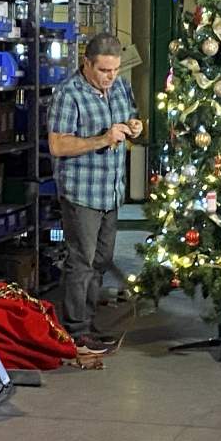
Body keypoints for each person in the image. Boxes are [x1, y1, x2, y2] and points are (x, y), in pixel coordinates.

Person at [47, 33, 143, 356]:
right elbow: (58, 144)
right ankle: (75, 330)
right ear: (86, 64)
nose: (110, 77)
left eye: (115, 70)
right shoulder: (68, 94)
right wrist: (102, 139)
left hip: (111, 191)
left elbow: (130, 114)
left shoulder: (120, 87)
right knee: (82, 260)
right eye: (104, 70)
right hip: (82, 192)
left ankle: (88, 320)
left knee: (101, 260)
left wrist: (134, 125)